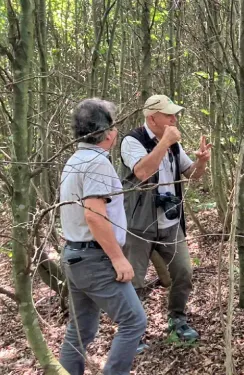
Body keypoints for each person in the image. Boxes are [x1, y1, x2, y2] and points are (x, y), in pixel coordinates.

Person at [59, 98, 147, 375]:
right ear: (108, 132)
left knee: (80, 329)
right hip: (93, 258)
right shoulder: (96, 163)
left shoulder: (74, 160)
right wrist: (119, 259)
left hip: (74, 256)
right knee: (134, 321)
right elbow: (94, 216)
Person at [120, 94, 211, 342]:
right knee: (134, 281)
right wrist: (165, 141)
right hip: (138, 225)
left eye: (174, 114)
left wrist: (202, 162)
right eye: (169, 115)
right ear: (152, 118)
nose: (174, 118)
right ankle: (132, 332)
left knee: (183, 272)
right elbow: (141, 171)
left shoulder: (172, 144)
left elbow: (191, 174)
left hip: (170, 224)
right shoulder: (131, 141)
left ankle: (177, 319)